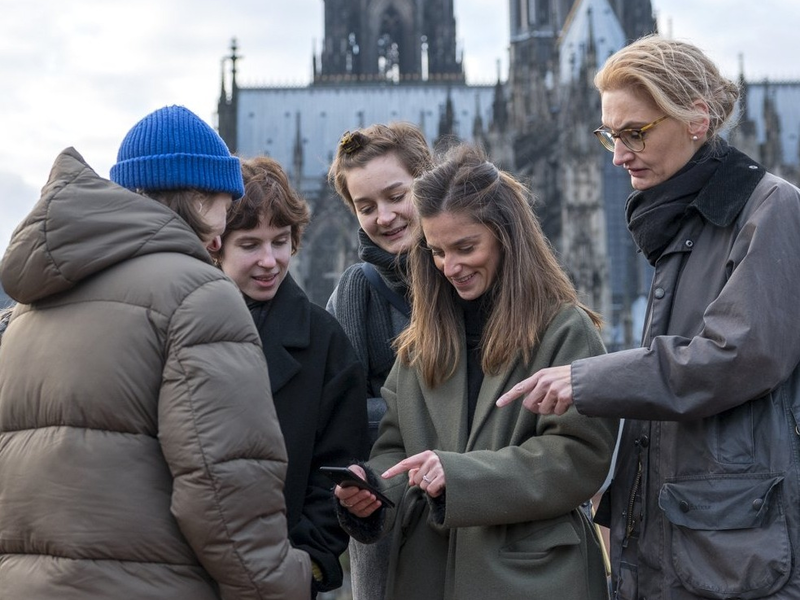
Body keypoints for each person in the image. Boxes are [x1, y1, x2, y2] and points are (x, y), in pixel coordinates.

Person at [497, 35, 800, 599]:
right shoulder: (678, 218)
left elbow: (736, 355)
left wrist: (587, 380)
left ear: (696, 120)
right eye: (610, 135)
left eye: (634, 133)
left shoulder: (770, 208)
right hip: (677, 538)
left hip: (735, 553)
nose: (617, 155)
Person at [0, 105, 310, 599]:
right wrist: (283, 587)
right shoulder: (199, 295)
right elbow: (224, 488)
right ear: (199, 197)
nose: (223, 225)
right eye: (225, 204)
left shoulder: (26, 306)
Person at [334, 144, 619, 599]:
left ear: (507, 236)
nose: (451, 267)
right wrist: (371, 492)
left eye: (466, 247)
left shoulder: (562, 328)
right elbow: (394, 448)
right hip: (428, 576)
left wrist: (460, 477)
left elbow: (579, 458)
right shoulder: (421, 342)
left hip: (531, 577)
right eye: (437, 252)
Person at [213, 155, 370, 597]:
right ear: (215, 244)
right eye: (249, 244)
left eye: (280, 241)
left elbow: (338, 471)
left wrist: (305, 567)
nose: (269, 260)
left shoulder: (325, 343)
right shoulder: (176, 326)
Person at [325, 122, 433, 599]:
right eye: (365, 207)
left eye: (396, 196)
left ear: (426, 182)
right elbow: (338, 413)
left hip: (480, 525)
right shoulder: (359, 289)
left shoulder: (466, 270)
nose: (384, 216)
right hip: (392, 526)